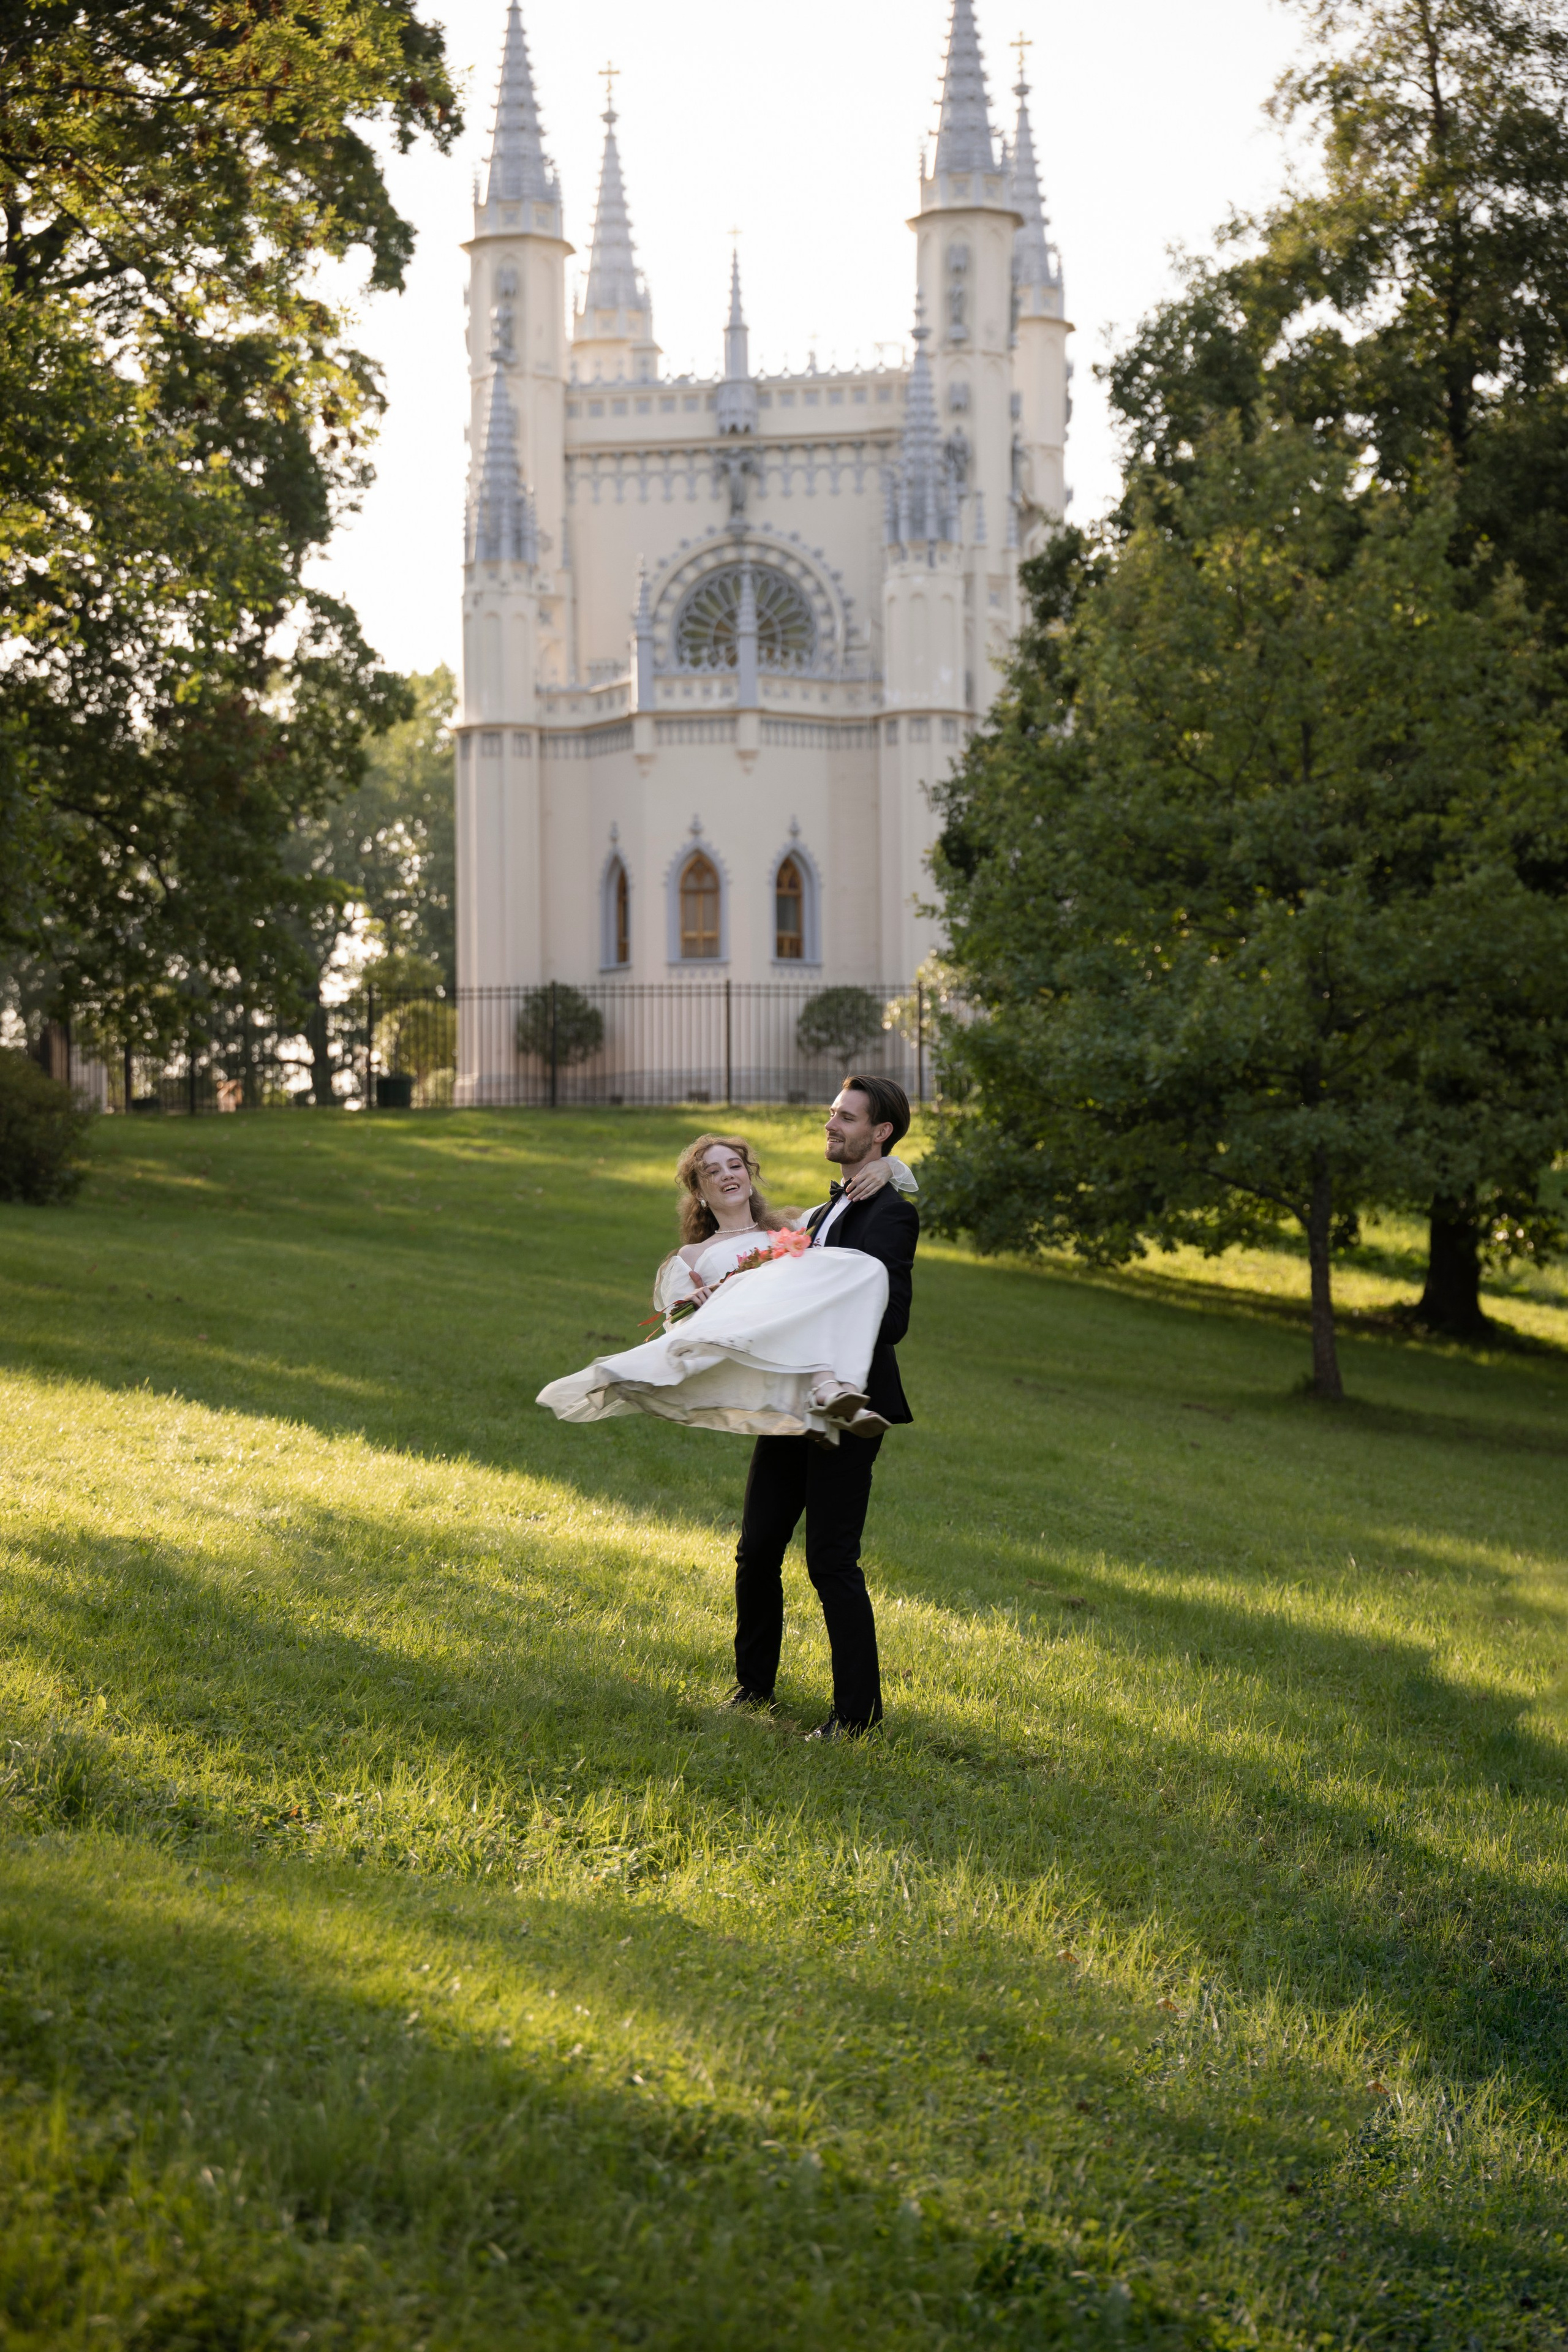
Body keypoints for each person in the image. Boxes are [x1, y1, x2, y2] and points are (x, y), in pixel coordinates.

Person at [728, 1074, 917, 1743]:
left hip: (848, 1406)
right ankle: (753, 1688)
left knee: (830, 1561)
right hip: (792, 1398)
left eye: (847, 1117)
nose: (831, 1124)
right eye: (832, 1114)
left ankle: (856, 1718)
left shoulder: (890, 1212)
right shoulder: (822, 1211)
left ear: (881, 1133)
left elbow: (891, 1319)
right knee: (757, 1549)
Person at [535, 1127, 918, 1441]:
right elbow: (682, 1330)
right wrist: (700, 1304)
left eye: (735, 1166)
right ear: (699, 1194)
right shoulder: (692, 1257)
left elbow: (844, 1206)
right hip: (754, 1340)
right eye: (712, 1172)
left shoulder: (796, 1227)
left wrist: (886, 1165)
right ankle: (827, 1393)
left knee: (860, 1266)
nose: (727, 1175)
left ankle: (831, 1394)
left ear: (749, 1180)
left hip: (797, 1332)